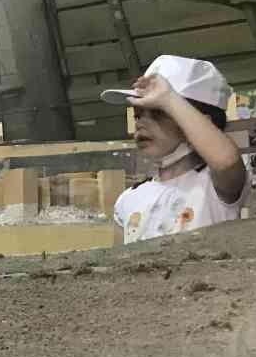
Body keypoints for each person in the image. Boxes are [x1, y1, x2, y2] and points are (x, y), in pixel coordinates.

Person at [101, 56, 246, 243]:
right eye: (138, 115)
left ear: (202, 122)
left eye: (159, 113)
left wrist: (169, 98)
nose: (140, 124)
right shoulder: (128, 199)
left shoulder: (213, 185)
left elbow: (226, 162)